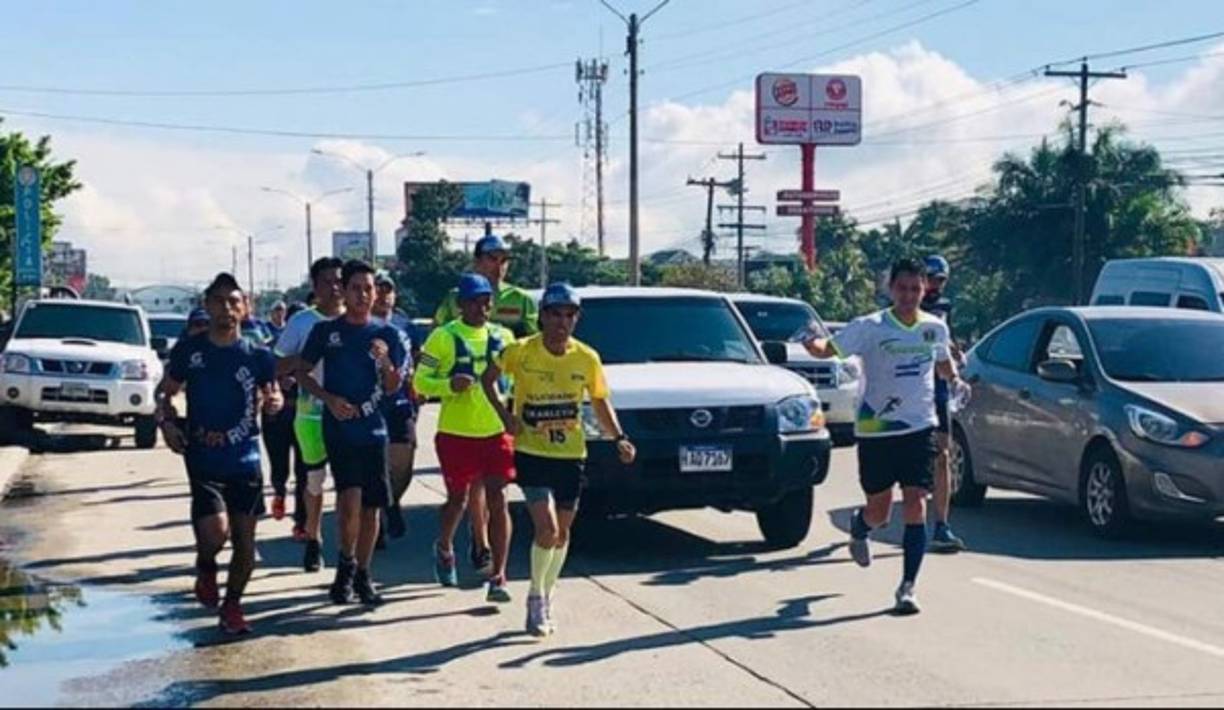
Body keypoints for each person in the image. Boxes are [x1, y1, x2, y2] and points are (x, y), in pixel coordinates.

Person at [803, 258, 970, 616]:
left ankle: (907, 588)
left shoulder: (934, 327)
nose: (909, 296)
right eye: (902, 288)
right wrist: (810, 342)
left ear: (924, 290)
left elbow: (942, 364)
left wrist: (955, 379)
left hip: (919, 427)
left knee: (915, 504)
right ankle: (860, 527)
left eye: (916, 289)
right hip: (877, 430)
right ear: (891, 289)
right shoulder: (870, 327)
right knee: (879, 511)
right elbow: (827, 350)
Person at [482, 283, 635, 637]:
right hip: (533, 453)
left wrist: (619, 438)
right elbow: (488, 379)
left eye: (569, 315)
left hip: (571, 454)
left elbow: (599, 401)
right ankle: (535, 597)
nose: (562, 323)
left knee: (562, 534)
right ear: (542, 317)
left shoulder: (586, 357)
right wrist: (505, 417)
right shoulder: (520, 351)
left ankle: (547, 593)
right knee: (546, 529)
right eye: (555, 314)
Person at [156, 272, 283, 635]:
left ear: (245, 308)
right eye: (220, 302)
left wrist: (274, 403)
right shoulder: (191, 352)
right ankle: (206, 565)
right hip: (203, 457)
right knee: (216, 533)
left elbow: (271, 394)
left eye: (234, 302)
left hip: (245, 458)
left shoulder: (258, 356)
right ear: (208, 306)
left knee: (246, 541)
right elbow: (166, 394)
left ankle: (232, 606)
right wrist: (167, 424)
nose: (227, 309)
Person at [298, 260, 407, 606]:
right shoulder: (326, 332)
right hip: (340, 429)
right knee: (348, 501)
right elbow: (301, 373)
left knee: (372, 507)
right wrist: (329, 400)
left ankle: (363, 572)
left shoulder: (387, 334)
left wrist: (386, 361)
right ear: (343, 291)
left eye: (369, 289)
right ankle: (344, 566)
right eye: (356, 288)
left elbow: (393, 387)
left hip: (375, 431)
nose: (363, 295)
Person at [434, 234, 538, 576]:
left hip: (501, 404)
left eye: (504, 258)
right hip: (464, 408)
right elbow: (440, 338)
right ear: (477, 260)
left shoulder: (521, 300)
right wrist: (447, 381)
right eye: (492, 257)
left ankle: (489, 554)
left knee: (494, 487)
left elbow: (535, 344)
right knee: (468, 489)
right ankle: (479, 542)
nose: (499, 264)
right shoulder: (453, 298)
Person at [414, 273, 516, 603]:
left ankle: (498, 575)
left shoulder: (505, 337)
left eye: (486, 300)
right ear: (460, 304)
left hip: (495, 431)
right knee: (457, 499)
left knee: (498, 498)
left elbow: (516, 381)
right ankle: (444, 546)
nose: (480, 307)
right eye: (473, 300)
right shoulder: (442, 338)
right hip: (456, 434)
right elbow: (420, 381)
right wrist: (447, 386)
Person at [274, 257, 345, 572]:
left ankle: (348, 551)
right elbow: (277, 365)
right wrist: (307, 358)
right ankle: (313, 537)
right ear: (315, 287)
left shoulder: (357, 321)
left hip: (347, 415)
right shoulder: (302, 322)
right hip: (311, 416)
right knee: (314, 481)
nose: (334, 287)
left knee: (349, 485)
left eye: (339, 281)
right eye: (327, 281)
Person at [921, 255, 968, 553]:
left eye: (941, 280)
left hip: (938, 386)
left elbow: (943, 339)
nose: (936, 286)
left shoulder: (944, 307)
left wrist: (955, 355)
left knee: (943, 453)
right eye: (932, 279)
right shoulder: (906, 306)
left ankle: (941, 525)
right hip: (908, 388)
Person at [371, 271, 416, 541]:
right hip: (372, 404)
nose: (385, 295)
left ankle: (391, 501)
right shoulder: (363, 325)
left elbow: (420, 356)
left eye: (389, 290)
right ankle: (374, 524)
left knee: (403, 465)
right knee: (375, 464)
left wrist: (419, 384)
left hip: (401, 403)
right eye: (380, 289)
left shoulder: (404, 324)